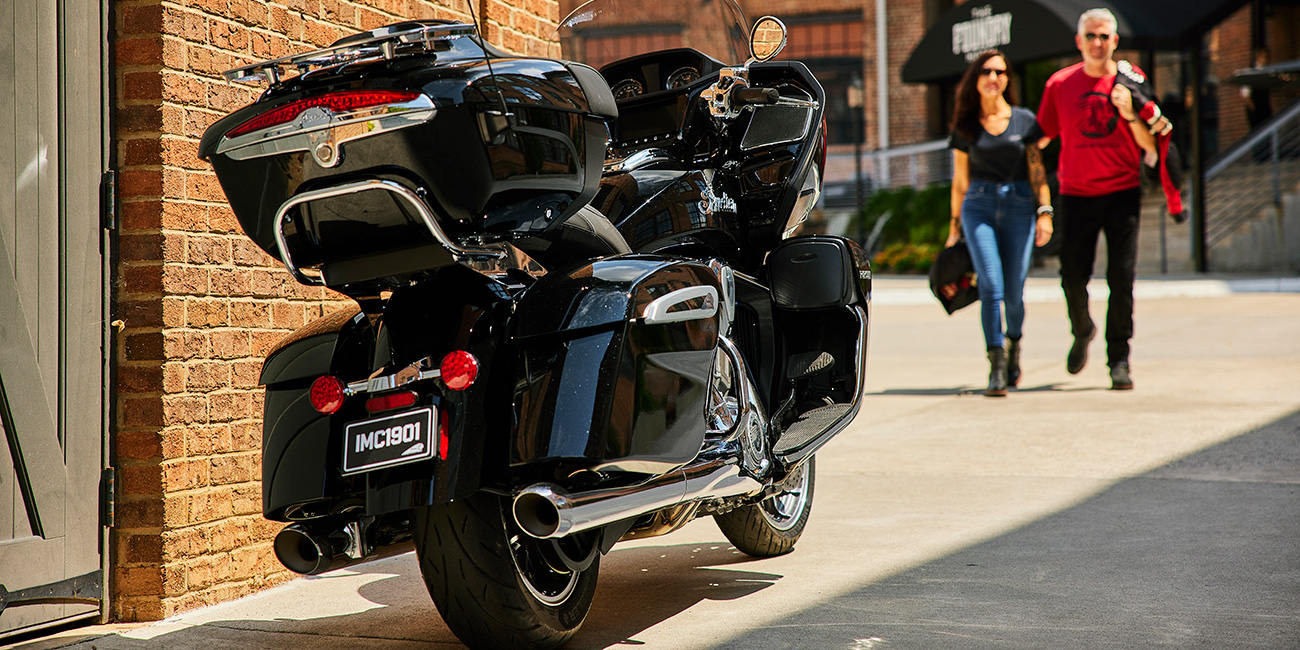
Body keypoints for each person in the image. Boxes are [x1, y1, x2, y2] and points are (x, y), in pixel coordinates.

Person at [1036, 8, 1158, 390]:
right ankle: (1082, 328)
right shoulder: (1059, 84)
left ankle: (1119, 359)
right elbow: (1040, 138)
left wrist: (1130, 113)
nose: (1097, 42)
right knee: (1072, 276)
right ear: (1079, 41)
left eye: (1104, 36)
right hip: (1076, 194)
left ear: (1115, 41)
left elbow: (1152, 145)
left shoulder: (1131, 83)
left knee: (1121, 278)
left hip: (1122, 193)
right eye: (1091, 36)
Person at [945, 50, 1054, 397]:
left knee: (1014, 293)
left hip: (1020, 207)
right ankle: (996, 365)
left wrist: (1045, 212)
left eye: (1001, 72)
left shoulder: (1024, 121)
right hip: (978, 206)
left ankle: (1014, 345)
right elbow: (960, 182)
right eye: (987, 71)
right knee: (991, 287)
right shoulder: (965, 124)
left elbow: (1038, 172)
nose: (994, 77)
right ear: (976, 79)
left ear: (1008, 78)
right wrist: (953, 229)